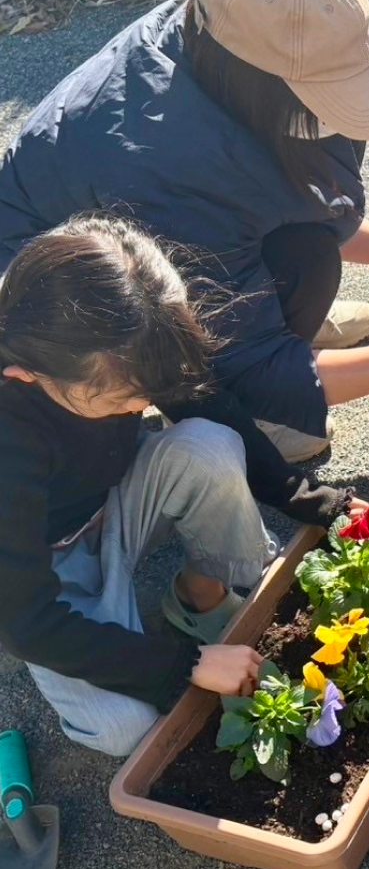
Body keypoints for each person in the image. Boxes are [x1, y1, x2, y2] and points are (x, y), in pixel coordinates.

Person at [0, 0, 369, 470]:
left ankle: (284, 330)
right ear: (257, 82)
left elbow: (298, 193)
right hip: (69, 326)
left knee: (309, 254)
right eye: (323, 95)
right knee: (262, 328)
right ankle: (242, 420)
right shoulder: (171, 165)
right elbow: (249, 361)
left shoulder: (224, 29)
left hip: (183, 230)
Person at [0, 214, 286, 758]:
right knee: (124, 729)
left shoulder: (98, 326)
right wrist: (187, 667)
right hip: (38, 572)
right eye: (119, 402)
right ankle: (158, 631)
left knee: (209, 448)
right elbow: (25, 623)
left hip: (108, 500)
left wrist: (317, 501)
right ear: (26, 379)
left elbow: (204, 403)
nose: (141, 408)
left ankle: (200, 598)